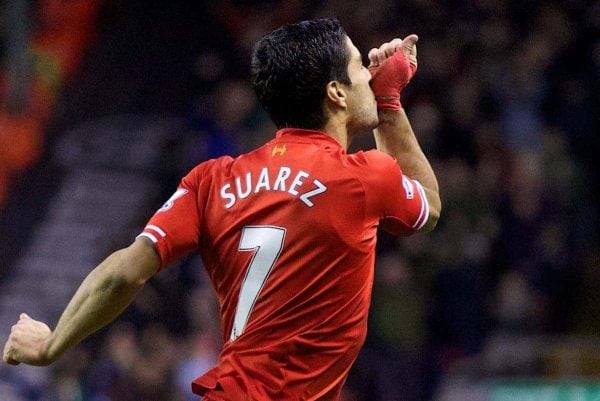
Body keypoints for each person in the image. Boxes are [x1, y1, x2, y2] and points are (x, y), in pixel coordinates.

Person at [3, 18, 441, 400]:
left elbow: (123, 272)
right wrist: (388, 104)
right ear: (336, 93)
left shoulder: (213, 180)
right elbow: (428, 205)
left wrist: (52, 344)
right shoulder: (363, 178)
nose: (369, 73)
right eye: (359, 68)